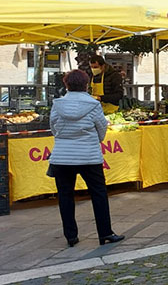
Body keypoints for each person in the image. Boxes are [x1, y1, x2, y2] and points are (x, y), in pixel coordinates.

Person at [49, 70, 124, 248]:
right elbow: (101, 128)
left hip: (62, 157)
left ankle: (71, 236)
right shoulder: (93, 105)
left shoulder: (58, 104)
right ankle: (105, 233)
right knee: (99, 194)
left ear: (66, 84)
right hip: (89, 156)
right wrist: (91, 140)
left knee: (65, 196)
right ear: (86, 85)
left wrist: (65, 139)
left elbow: (54, 128)